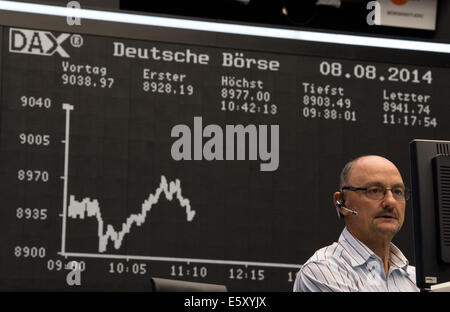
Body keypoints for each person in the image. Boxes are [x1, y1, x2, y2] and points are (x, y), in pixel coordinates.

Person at [293, 155, 419, 292]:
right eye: (374, 190)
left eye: (397, 192)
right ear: (342, 202)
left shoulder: (416, 278)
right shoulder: (321, 271)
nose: (391, 202)